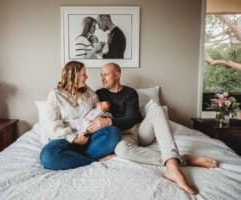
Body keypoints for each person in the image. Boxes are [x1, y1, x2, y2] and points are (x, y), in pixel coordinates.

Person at [91, 62, 218, 195]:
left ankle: (173, 166)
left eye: (105, 74)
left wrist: (110, 121)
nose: (102, 78)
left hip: (140, 131)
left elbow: (132, 118)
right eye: (101, 75)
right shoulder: (99, 94)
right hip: (122, 136)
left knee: (158, 109)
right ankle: (178, 160)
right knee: (122, 150)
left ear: (117, 74)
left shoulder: (130, 93)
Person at [40, 61, 121, 170]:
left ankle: (75, 156)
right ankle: (93, 159)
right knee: (48, 157)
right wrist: (74, 138)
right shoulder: (55, 95)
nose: (87, 77)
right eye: (84, 74)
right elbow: (52, 126)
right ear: (73, 76)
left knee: (114, 133)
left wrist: (102, 119)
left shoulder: (89, 92)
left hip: (89, 137)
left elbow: (101, 111)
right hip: (65, 139)